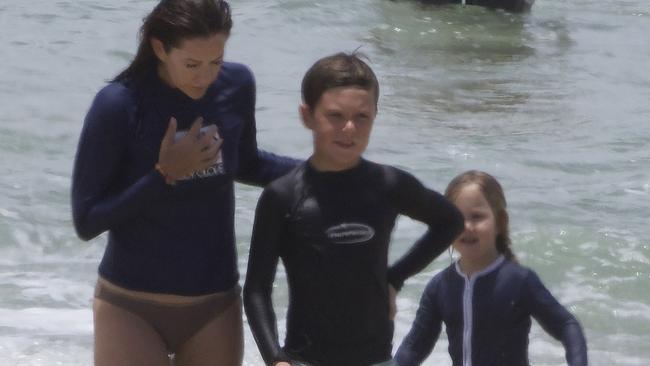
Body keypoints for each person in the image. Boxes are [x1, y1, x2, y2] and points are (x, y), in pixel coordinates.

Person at [71, 1, 296, 365]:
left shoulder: (237, 85)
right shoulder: (119, 104)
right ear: (160, 48)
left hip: (213, 306)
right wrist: (164, 175)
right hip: (131, 306)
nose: (204, 77)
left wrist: (324, 171)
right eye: (192, 64)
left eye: (216, 61)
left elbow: (248, 163)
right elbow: (87, 220)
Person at [243, 52, 465, 366]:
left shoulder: (388, 184)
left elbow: (450, 221)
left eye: (362, 117)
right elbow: (256, 290)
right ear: (307, 115)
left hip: (375, 359)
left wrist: (395, 278)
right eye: (335, 115)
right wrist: (274, 358)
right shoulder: (282, 196)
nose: (349, 128)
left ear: (375, 114)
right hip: (305, 359)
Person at [394, 170, 588, 366]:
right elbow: (413, 349)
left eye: (477, 217)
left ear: (500, 223)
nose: (467, 226)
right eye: (458, 218)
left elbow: (566, 325)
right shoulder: (439, 287)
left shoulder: (518, 281)